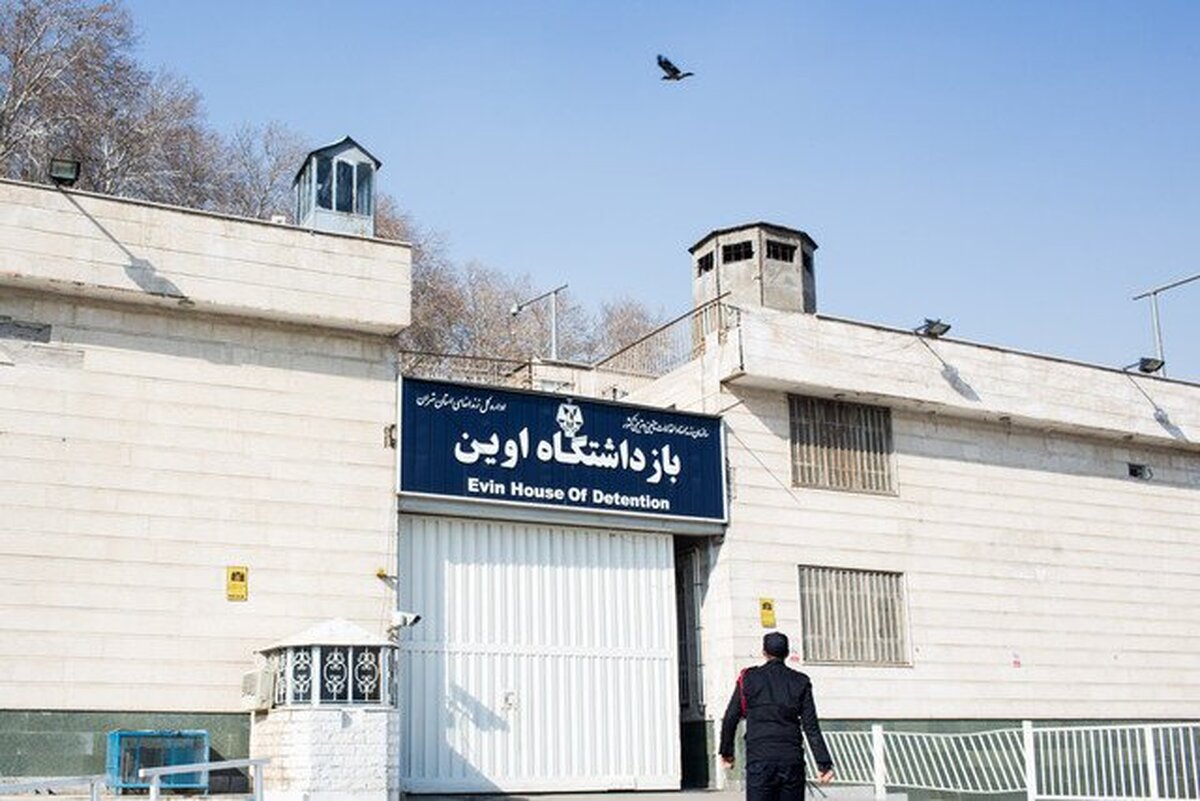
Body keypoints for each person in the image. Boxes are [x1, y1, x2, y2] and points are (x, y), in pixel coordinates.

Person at [719, 632, 835, 801]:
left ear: (764, 652)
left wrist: (727, 752)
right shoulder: (800, 681)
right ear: (786, 653)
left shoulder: (749, 678)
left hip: (760, 759)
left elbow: (731, 717)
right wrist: (823, 763)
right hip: (791, 760)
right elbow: (811, 726)